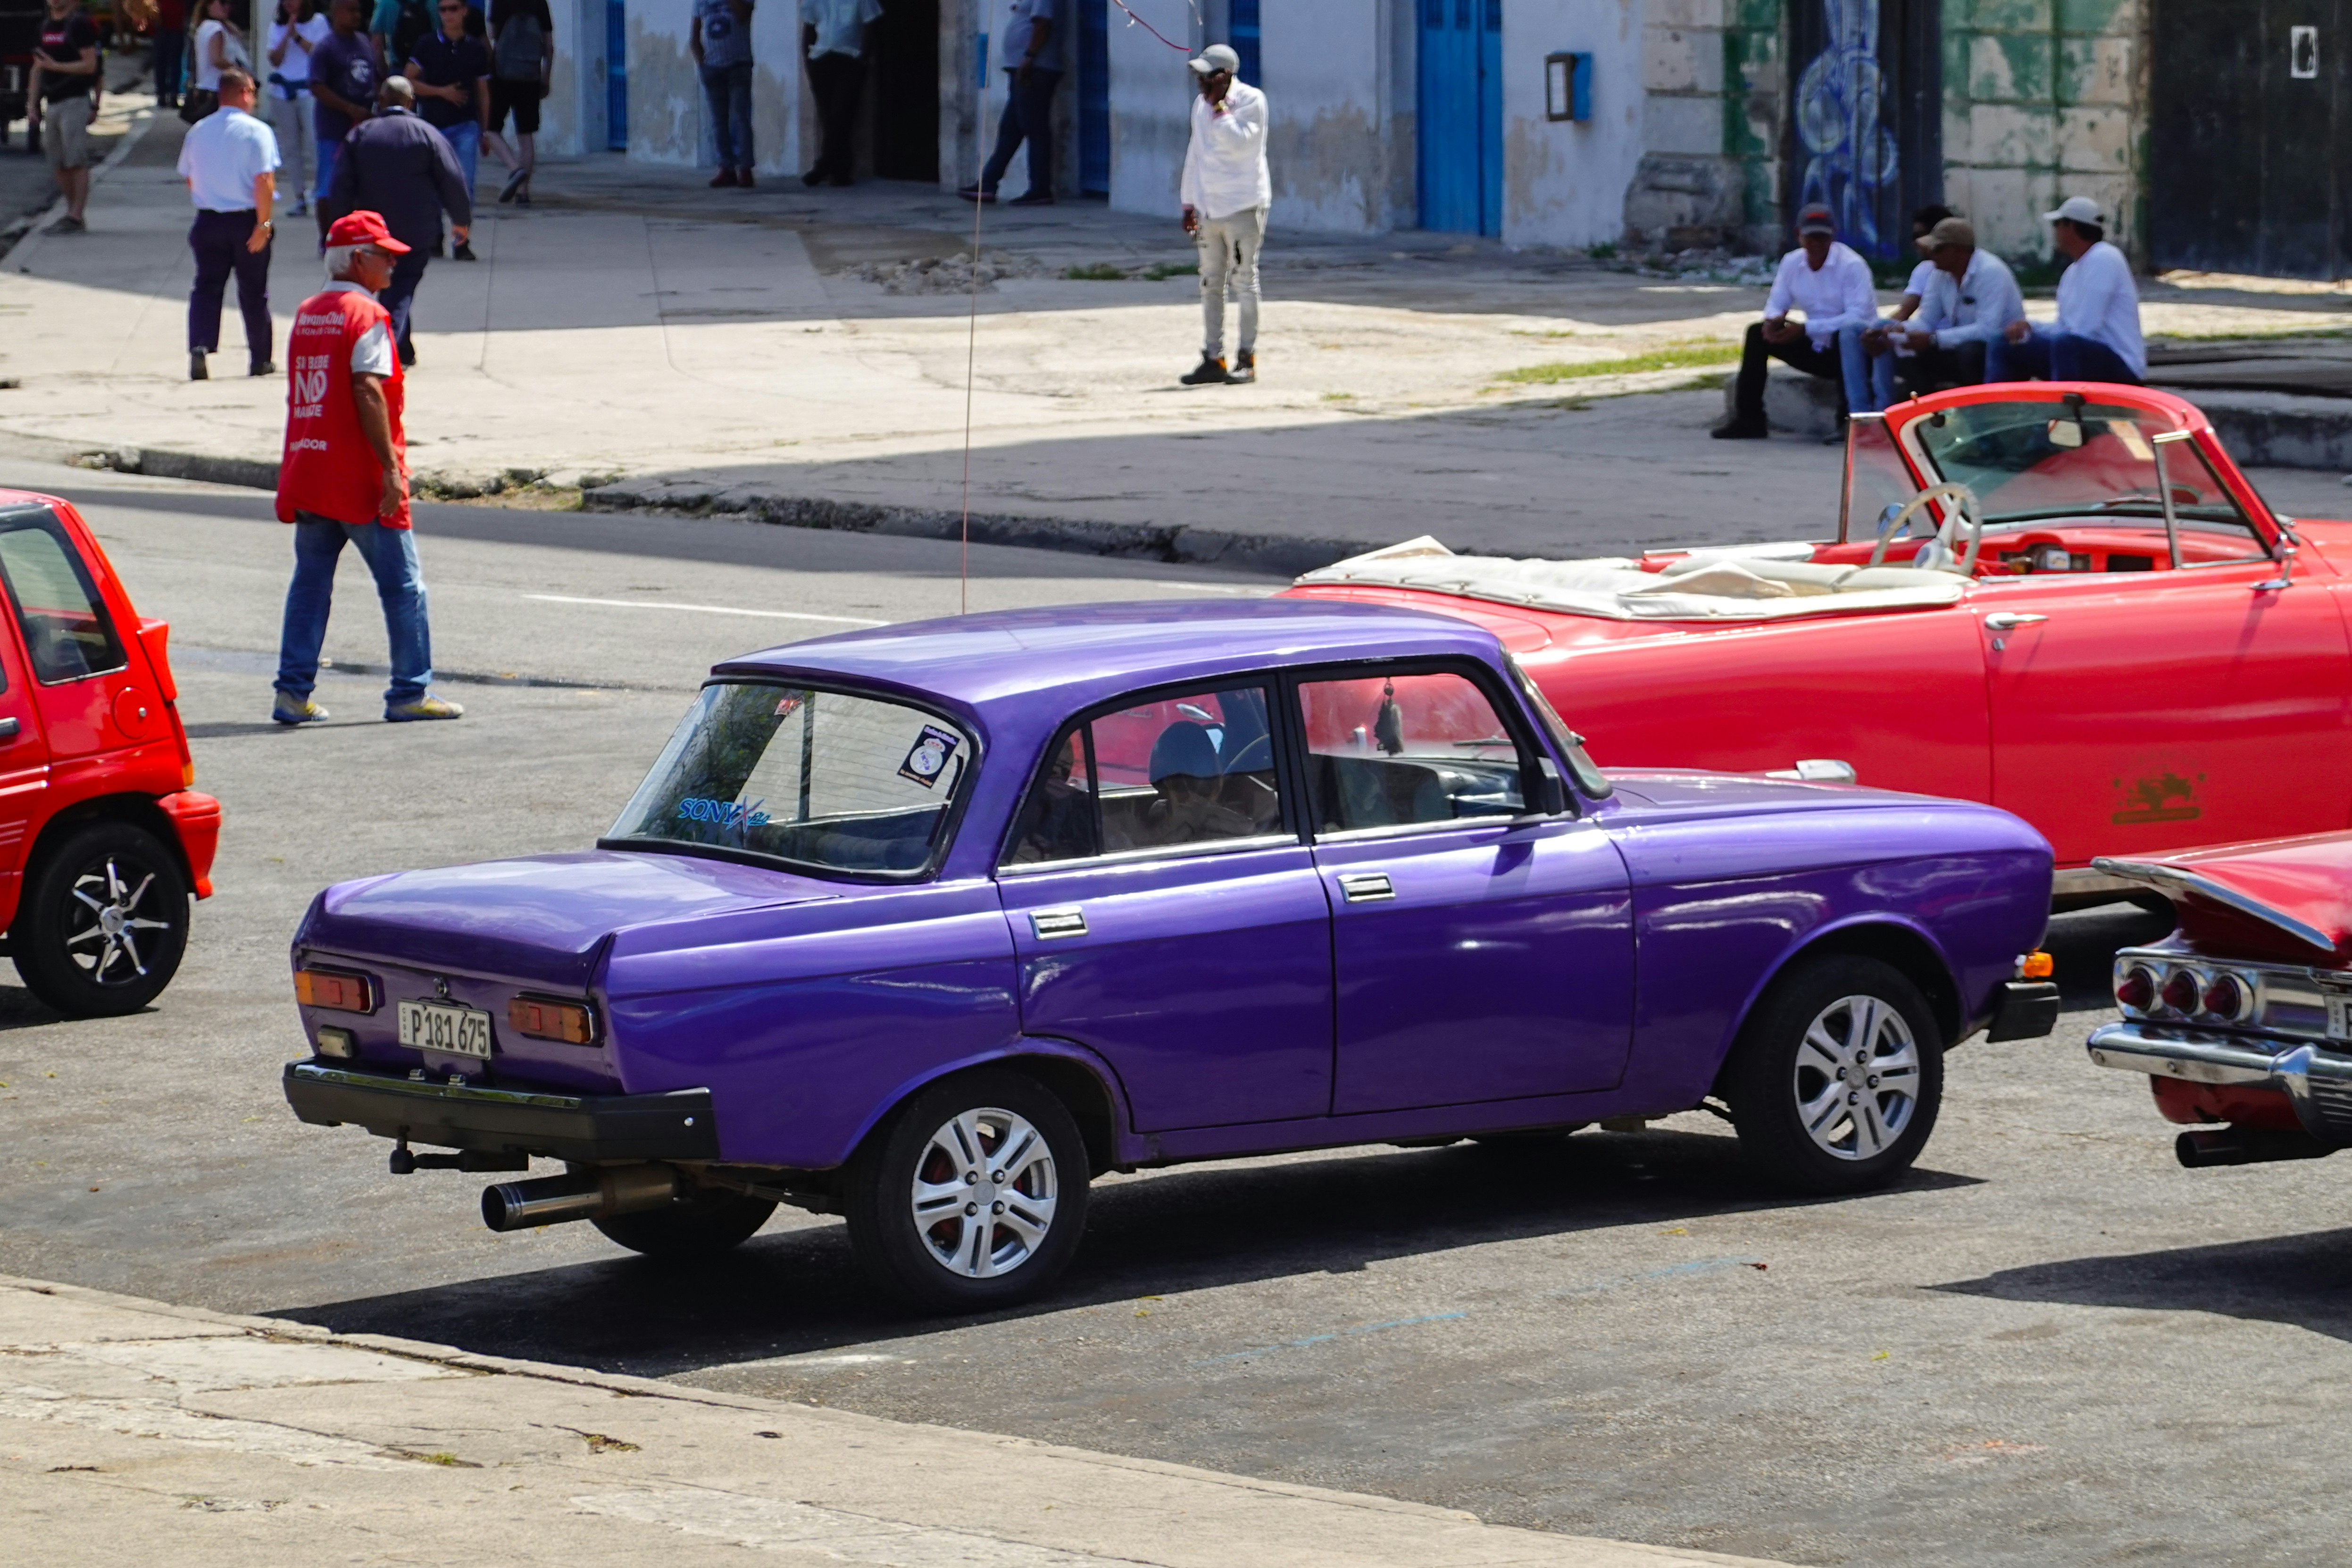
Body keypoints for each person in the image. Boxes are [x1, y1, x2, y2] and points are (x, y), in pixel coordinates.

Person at [272, 209, 463, 725]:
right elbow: (366, 389)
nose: (394, 264)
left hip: (309, 468)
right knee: (404, 588)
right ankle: (410, 691)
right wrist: (391, 470)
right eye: (385, 255)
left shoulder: (309, 311)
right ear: (358, 260)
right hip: (357, 477)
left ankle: (292, 694)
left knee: (310, 585)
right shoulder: (368, 316)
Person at [327, 75, 471, 367]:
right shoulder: (427, 134)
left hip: (373, 233)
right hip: (418, 230)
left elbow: (340, 185)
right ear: (411, 102)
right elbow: (452, 179)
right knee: (402, 286)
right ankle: (388, 346)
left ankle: (401, 347)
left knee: (390, 287)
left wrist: (338, 228)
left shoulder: (361, 134)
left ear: (381, 100)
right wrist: (461, 220)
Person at [1713, 203, 1884, 440]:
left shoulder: (1852, 266)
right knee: (1756, 334)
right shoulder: (1791, 263)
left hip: (1851, 351)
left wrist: (1806, 329)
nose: (1816, 244)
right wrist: (1773, 321)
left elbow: (1858, 318)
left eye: (1822, 238)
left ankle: (1847, 421)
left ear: (1833, 235)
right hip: (1815, 345)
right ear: (1798, 236)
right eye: (1811, 237)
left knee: (1846, 334)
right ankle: (1749, 420)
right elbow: (1777, 301)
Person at [1176, 43, 1268, 386]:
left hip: (1243, 205)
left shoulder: (1251, 101)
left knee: (1244, 281)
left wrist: (1221, 108)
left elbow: (1241, 144)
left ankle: (1247, 358)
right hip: (1209, 207)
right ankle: (1213, 357)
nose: (1199, 83)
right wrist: (1189, 204)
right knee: (1210, 283)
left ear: (1224, 76)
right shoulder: (1200, 107)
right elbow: (1194, 155)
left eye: (1206, 76)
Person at [178, 66, 279, 381]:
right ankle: (259, 358)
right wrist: (263, 225)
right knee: (253, 292)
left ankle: (200, 346)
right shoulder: (257, 131)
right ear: (244, 93)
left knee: (206, 287)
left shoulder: (198, 130)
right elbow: (263, 180)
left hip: (208, 221)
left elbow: (190, 178)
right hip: (245, 220)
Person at [1989, 195, 2146, 386]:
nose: (2055, 232)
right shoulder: (2072, 272)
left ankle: (2066, 412)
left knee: (2066, 346)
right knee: (2003, 343)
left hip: (2119, 364)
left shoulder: (2105, 258)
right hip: (2075, 353)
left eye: (2057, 225)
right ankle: (1996, 409)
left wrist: (2046, 337)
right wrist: (2029, 327)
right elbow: (2064, 327)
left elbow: (2084, 331)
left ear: (2070, 227)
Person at [1884, 216, 2022, 398]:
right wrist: (1902, 331)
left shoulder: (1991, 272)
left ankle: (1978, 406)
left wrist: (1934, 339)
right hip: (1962, 348)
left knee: (1970, 352)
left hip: (2003, 350)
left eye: (1939, 249)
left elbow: (1988, 331)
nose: (1932, 253)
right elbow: (1927, 321)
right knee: (1905, 353)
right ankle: (1927, 411)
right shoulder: (1939, 273)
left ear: (1960, 251)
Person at [959, 0, 1059, 206]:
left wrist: (1029, 57)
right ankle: (987, 185)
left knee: (1035, 129)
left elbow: (1043, 24)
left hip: (1034, 70)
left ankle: (1040, 189)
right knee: (1010, 129)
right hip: (1023, 69)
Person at [405, 0, 488, 227]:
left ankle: (461, 240)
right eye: (443, 10)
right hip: (433, 126)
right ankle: (435, 235)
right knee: (433, 185)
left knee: (464, 185)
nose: (448, 15)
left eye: (453, 9)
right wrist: (441, 92)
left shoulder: (475, 48)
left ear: (464, 12)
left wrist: (486, 130)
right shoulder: (427, 44)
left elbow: (483, 91)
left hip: (466, 126)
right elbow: (407, 81)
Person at [307, 0, 381, 243]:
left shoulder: (364, 42)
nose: (356, 15)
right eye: (350, 10)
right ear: (336, 13)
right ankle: (326, 238)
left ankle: (358, 234)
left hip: (363, 127)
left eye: (358, 10)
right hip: (333, 128)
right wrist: (349, 108)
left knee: (362, 183)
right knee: (329, 185)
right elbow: (317, 86)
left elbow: (376, 78)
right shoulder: (325, 47)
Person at [26, 0, 100, 234]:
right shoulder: (45, 27)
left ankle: (76, 215)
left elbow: (91, 66)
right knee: (57, 160)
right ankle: (70, 212)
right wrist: (32, 103)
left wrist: (56, 66)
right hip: (53, 102)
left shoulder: (79, 25)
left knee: (76, 159)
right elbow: (38, 67)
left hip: (76, 100)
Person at [799, 0, 878, 187]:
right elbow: (809, 28)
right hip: (821, 57)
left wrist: (863, 58)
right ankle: (840, 172)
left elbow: (871, 24)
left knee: (841, 113)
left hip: (850, 58)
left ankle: (825, 164)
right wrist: (809, 61)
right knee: (829, 116)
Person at [266, 0, 329, 217]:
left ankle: (320, 193)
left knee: (314, 144)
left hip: (308, 91)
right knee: (291, 148)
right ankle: (299, 197)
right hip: (282, 93)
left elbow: (320, 53)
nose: (289, 4)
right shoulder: (276, 26)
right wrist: (287, 35)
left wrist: (297, 37)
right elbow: (274, 59)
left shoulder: (318, 22)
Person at [484, 0, 549, 203]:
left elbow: (493, 35)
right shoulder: (539, 3)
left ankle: (514, 168)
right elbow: (549, 46)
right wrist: (546, 78)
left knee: (490, 129)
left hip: (502, 75)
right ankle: (523, 193)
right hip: (530, 77)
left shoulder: (499, 2)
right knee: (526, 136)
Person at [690, 0, 754, 187]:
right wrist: (702, 63)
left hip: (739, 65)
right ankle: (726, 168)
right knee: (719, 121)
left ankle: (745, 169)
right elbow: (695, 33)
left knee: (741, 118)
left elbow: (743, 16)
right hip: (712, 67)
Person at [187, 0, 250, 117]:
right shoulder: (217, 30)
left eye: (229, 3)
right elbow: (216, 59)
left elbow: (239, 34)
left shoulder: (203, 27)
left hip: (204, 88)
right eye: (222, 3)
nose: (227, 7)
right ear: (209, 5)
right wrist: (241, 72)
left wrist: (225, 21)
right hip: (218, 90)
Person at [153, 0, 187, 108]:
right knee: (168, 63)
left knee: (168, 63)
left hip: (172, 25)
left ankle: (167, 96)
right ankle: (166, 96)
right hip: (165, 25)